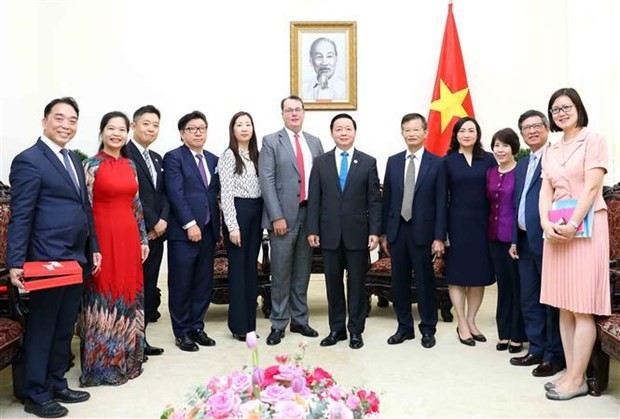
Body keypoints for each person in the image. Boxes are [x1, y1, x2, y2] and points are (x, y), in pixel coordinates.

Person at [7, 97, 100, 418]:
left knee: (64, 326)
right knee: (44, 326)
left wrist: (95, 247)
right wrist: (15, 262)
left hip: (76, 258)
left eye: (72, 120)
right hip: (46, 258)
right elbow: (21, 214)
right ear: (45, 121)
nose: (66, 125)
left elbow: (84, 208)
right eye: (59, 118)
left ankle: (56, 381)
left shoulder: (72, 159)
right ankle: (35, 392)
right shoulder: (29, 160)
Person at [538, 88, 610, 400]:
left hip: (586, 226)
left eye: (566, 107)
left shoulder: (593, 140)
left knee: (581, 308)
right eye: (555, 109)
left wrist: (572, 223)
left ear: (578, 108)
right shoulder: (551, 149)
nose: (561, 113)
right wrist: (545, 223)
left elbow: (593, 186)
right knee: (564, 306)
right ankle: (570, 373)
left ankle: (578, 378)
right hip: (555, 229)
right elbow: (545, 192)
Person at [79, 111, 149, 387]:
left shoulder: (130, 165)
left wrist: (143, 239)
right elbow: (84, 207)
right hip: (103, 239)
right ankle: (100, 365)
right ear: (102, 132)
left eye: (121, 129)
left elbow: (137, 205)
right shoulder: (91, 165)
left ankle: (127, 358)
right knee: (103, 296)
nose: (116, 134)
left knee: (128, 292)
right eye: (111, 128)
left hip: (129, 237)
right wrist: (91, 244)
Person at [307, 113, 382, 350]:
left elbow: (374, 201)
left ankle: (356, 331)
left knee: (357, 285)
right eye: (338, 129)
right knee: (333, 284)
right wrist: (312, 229)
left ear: (354, 132)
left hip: (358, 234)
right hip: (329, 234)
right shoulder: (320, 162)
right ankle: (336, 329)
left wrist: (375, 231)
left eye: (348, 128)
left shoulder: (368, 162)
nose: (343, 132)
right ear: (332, 133)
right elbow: (314, 199)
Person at [259, 95, 324, 345]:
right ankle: (278, 323)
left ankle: (300, 320)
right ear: (282, 114)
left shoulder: (315, 142)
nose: (294, 114)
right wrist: (276, 215)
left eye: (298, 109)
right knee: (281, 271)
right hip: (283, 217)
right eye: (289, 110)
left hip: (309, 216)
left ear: (304, 113)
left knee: (302, 272)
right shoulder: (271, 141)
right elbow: (267, 180)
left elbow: (320, 180)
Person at [381, 113, 446, 349]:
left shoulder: (437, 163)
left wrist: (439, 236)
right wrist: (384, 233)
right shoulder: (393, 161)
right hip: (397, 231)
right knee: (398, 282)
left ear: (425, 132)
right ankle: (404, 327)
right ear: (402, 133)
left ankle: (428, 328)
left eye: (416, 129)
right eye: (406, 130)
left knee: (425, 282)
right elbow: (386, 198)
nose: (411, 134)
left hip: (424, 232)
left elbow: (441, 202)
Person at [509, 110, 564, 377]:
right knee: (529, 298)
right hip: (523, 240)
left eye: (536, 126)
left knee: (550, 301)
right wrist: (512, 239)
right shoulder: (521, 164)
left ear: (546, 128)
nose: (531, 131)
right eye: (525, 127)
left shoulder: (556, 157)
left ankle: (554, 355)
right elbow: (515, 204)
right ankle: (537, 348)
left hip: (547, 240)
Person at [163, 111, 220, 352]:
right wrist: (190, 224)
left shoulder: (213, 159)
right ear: (182, 133)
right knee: (181, 283)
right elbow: (176, 193)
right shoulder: (174, 158)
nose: (198, 132)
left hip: (208, 230)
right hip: (184, 232)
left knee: (203, 282)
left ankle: (197, 326)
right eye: (192, 128)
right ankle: (182, 331)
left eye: (202, 128)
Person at [442, 116, 496, 346]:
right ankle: (461, 322)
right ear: (456, 135)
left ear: (478, 134)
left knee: (478, 276)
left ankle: (472, 321)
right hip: (456, 224)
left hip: (483, 224)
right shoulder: (448, 161)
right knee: (457, 275)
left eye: (471, 130)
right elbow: (441, 199)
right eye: (462, 130)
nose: (467, 134)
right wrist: (441, 232)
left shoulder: (490, 159)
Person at [126, 105, 168, 356]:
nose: (151, 129)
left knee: (149, 287)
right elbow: (133, 195)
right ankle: (129, 341)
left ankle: (141, 340)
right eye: (146, 124)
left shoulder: (156, 158)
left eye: (155, 125)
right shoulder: (125, 154)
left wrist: (162, 222)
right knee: (133, 289)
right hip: (135, 234)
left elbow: (163, 194)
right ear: (133, 126)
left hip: (157, 236)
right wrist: (152, 224)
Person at [219, 111, 263, 341]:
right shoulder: (228, 156)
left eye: (248, 124)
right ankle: (238, 325)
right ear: (232, 129)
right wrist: (233, 226)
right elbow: (226, 193)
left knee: (251, 270)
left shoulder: (258, 154)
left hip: (256, 214)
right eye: (239, 124)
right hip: (239, 214)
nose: (244, 128)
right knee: (238, 270)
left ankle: (250, 324)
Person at [486, 128, 526, 354]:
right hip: (493, 236)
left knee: (516, 286)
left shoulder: (520, 172)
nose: (500, 150)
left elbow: (518, 206)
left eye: (505, 146)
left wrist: (514, 239)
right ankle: (504, 333)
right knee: (503, 287)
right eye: (496, 145)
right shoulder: (491, 172)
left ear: (513, 148)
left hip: (513, 237)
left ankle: (517, 335)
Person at [302, 37, 346, 101]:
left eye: (329, 56)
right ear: (311, 61)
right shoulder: (303, 89)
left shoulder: (346, 89)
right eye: (319, 57)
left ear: (336, 59)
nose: (324, 63)